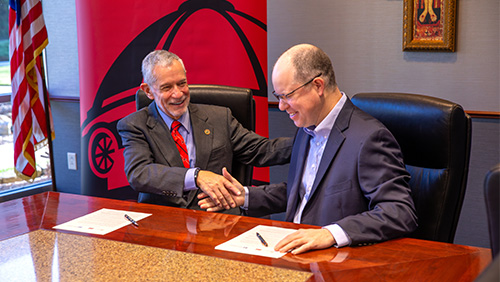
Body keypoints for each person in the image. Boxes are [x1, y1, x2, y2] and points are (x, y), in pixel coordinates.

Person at [199, 43, 418, 253]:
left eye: (288, 96)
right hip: (291, 253)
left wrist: (330, 234)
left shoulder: (369, 138)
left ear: (318, 86)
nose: (282, 106)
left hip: (336, 262)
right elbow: (303, 191)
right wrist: (245, 196)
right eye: (279, 97)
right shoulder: (307, 126)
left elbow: (399, 212)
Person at [117, 50, 292, 213]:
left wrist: (309, 139)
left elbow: (263, 150)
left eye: (182, 83)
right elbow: (139, 173)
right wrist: (196, 176)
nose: (178, 94)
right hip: (163, 221)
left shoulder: (219, 118)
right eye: (167, 88)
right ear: (148, 91)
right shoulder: (135, 125)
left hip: (218, 219)